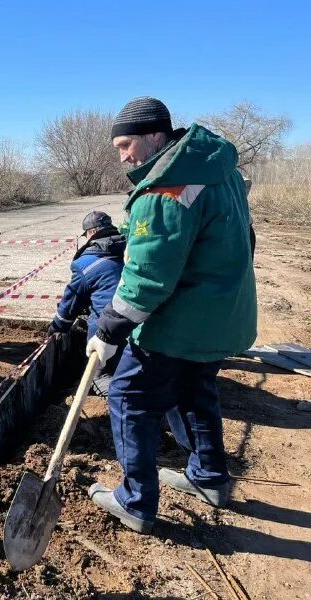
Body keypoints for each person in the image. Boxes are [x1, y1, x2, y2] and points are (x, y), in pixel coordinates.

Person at [85, 97, 257, 533]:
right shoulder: (219, 171)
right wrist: (126, 236)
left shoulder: (167, 186)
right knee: (195, 391)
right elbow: (229, 236)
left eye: (126, 144)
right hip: (223, 314)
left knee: (129, 397)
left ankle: (136, 502)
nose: (123, 156)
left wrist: (109, 328)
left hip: (180, 323)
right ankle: (209, 477)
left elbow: (148, 280)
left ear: (155, 136)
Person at [47, 210, 126, 396]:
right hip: (141, 323)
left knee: (99, 377)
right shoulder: (130, 249)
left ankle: (114, 409)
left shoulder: (86, 263)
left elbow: (70, 303)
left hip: (108, 329)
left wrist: (57, 327)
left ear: (90, 233)